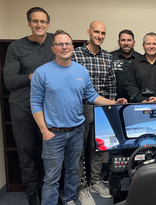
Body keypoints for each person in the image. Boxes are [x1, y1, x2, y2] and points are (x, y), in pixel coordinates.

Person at [30, 30, 127, 205]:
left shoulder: (81, 71)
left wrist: (114, 102)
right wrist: (44, 131)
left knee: (73, 171)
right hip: (53, 133)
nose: (64, 47)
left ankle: (70, 199)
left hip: (76, 131)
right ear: (53, 48)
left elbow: (93, 96)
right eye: (60, 44)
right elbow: (35, 103)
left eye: (67, 43)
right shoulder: (42, 72)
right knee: (51, 177)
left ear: (72, 47)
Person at [3, 7, 54, 205]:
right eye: (35, 21)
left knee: (50, 150)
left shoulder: (55, 42)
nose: (39, 25)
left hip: (49, 107)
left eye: (42, 21)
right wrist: (34, 76)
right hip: (22, 106)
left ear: (48, 23)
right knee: (27, 150)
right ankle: (33, 190)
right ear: (29, 24)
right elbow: (9, 82)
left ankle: (48, 189)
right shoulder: (16, 47)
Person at [72, 21, 116, 205]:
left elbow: (112, 85)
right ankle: (82, 187)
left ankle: (96, 182)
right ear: (88, 32)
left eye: (103, 33)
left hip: (103, 108)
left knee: (99, 148)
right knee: (79, 150)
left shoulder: (107, 56)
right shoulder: (75, 54)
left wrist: (111, 108)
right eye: (96, 32)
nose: (99, 35)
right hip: (80, 109)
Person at [111, 29, 142, 100]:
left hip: (136, 101)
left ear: (134, 42)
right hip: (115, 101)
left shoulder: (140, 59)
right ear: (119, 42)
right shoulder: (110, 57)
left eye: (129, 40)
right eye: (123, 40)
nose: (126, 43)